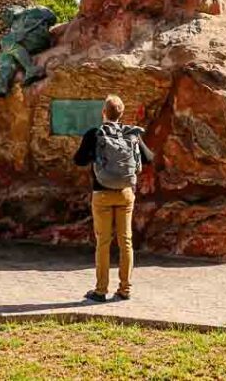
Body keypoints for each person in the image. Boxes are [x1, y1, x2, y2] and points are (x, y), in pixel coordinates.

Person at [73, 94, 153, 302]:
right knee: (126, 241)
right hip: (126, 194)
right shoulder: (130, 134)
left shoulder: (95, 134)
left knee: (104, 243)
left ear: (103, 113)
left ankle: (101, 290)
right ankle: (125, 289)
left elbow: (78, 160)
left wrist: (96, 156)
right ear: (121, 114)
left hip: (102, 193)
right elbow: (149, 158)